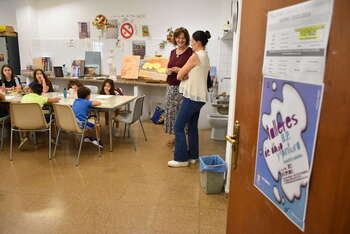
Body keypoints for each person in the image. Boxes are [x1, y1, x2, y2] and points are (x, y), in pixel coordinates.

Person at [168, 30, 211, 167]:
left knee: (178, 126)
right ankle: (193, 156)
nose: (190, 43)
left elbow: (180, 75)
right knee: (192, 127)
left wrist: (180, 72)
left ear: (198, 42)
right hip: (199, 98)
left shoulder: (195, 56)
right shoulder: (206, 56)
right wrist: (186, 73)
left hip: (192, 97)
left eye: (192, 41)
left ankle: (180, 159)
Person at [164, 27, 193, 147]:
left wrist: (179, 70)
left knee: (181, 114)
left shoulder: (190, 52)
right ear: (175, 39)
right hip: (171, 87)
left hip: (183, 88)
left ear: (186, 39)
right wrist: (168, 71)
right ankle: (176, 137)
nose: (180, 40)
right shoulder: (172, 52)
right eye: (178, 38)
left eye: (183, 38)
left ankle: (183, 139)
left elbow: (192, 71)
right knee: (171, 113)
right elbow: (167, 67)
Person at [19, 82, 61, 149]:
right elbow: (54, 100)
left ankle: (25, 137)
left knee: (27, 115)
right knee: (52, 117)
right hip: (39, 121)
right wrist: (58, 98)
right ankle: (53, 138)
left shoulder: (24, 97)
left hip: (24, 121)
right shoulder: (41, 98)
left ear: (31, 90)